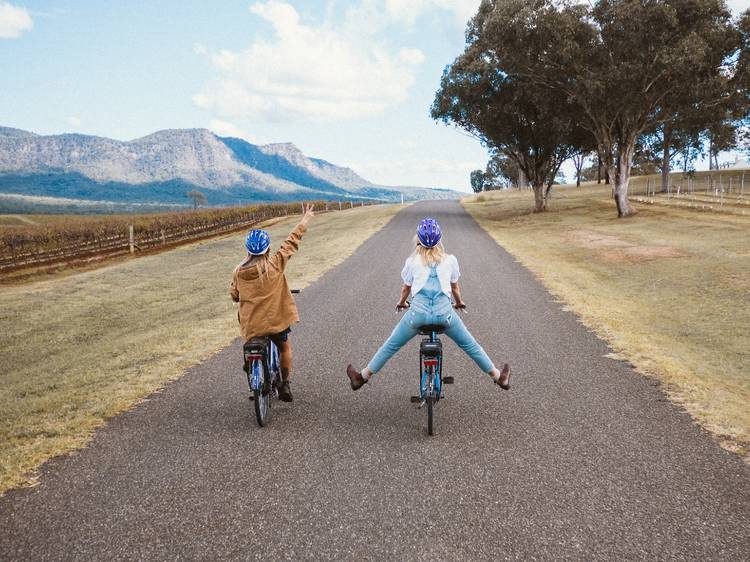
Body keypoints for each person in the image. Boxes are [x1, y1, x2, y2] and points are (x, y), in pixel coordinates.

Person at [346, 217, 510, 391]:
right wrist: (460, 303)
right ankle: (499, 377)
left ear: (418, 240)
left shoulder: (412, 262)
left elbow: (405, 289)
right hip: (444, 315)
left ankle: (361, 377)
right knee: (470, 345)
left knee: (390, 345)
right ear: (440, 239)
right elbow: (455, 287)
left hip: (416, 315)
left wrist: (401, 303)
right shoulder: (450, 260)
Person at [230, 204, 315, 402]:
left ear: (248, 250)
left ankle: (251, 364)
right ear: (267, 248)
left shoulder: (239, 273)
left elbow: (234, 295)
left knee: (249, 337)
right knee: (284, 347)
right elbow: (291, 242)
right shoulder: (275, 264)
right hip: (276, 322)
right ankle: (285, 384)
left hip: (253, 325)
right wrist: (305, 219)